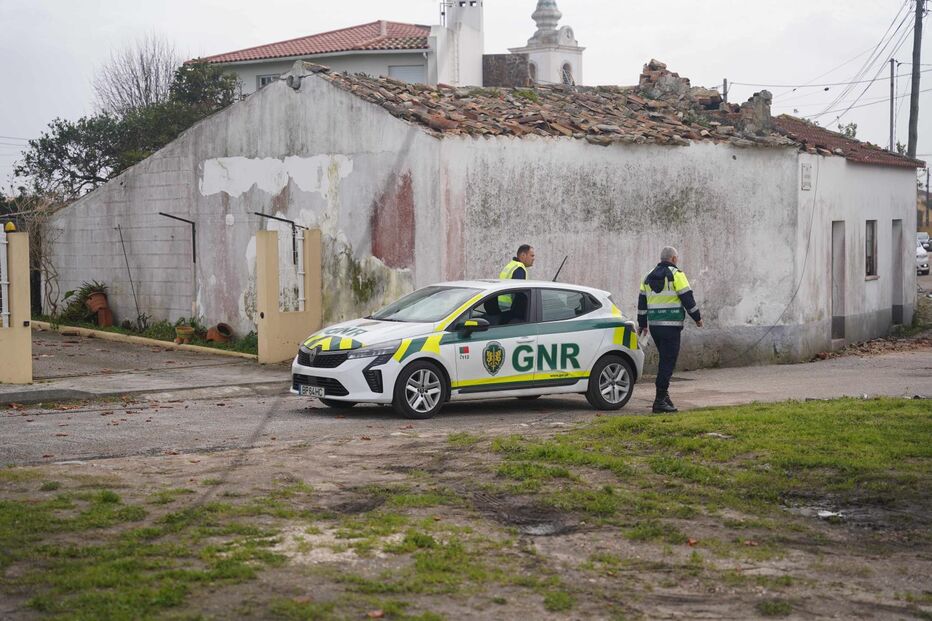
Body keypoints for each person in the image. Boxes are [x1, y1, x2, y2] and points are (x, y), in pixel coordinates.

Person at [637, 246, 703, 413]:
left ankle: (664, 396)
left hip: (655, 327)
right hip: (671, 327)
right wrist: (697, 318)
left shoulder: (647, 276)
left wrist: (642, 324)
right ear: (673, 259)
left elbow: (642, 303)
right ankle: (659, 401)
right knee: (668, 362)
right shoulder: (676, 275)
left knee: (665, 360)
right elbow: (687, 298)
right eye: (677, 259)